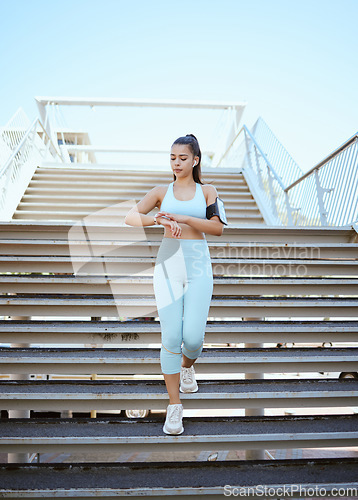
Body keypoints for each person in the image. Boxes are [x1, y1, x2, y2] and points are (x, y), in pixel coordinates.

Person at [124, 134, 226, 435]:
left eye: (182, 158)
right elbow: (130, 216)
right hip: (168, 265)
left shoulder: (208, 191)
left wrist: (182, 217)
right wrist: (159, 220)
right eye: (172, 158)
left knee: (192, 338)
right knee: (171, 336)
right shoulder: (160, 191)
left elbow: (217, 228)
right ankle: (174, 406)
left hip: (198, 266)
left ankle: (187, 365)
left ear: (195, 160)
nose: (176, 163)